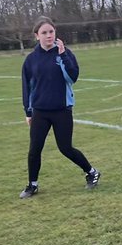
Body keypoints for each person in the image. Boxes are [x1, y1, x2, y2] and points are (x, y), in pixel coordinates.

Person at [18, 17, 100, 198]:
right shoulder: (31, 60)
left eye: (51, 32)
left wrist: (62, 55)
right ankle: (32, 185)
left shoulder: (65, 53)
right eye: (44, 33)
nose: (48, 35)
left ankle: (92, 172)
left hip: (62, 109)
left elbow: (73, 77)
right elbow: (27, 87)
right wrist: (28, 111)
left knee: (65, 148)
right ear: (37, 36)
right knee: (34, 149)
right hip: (40, 111)